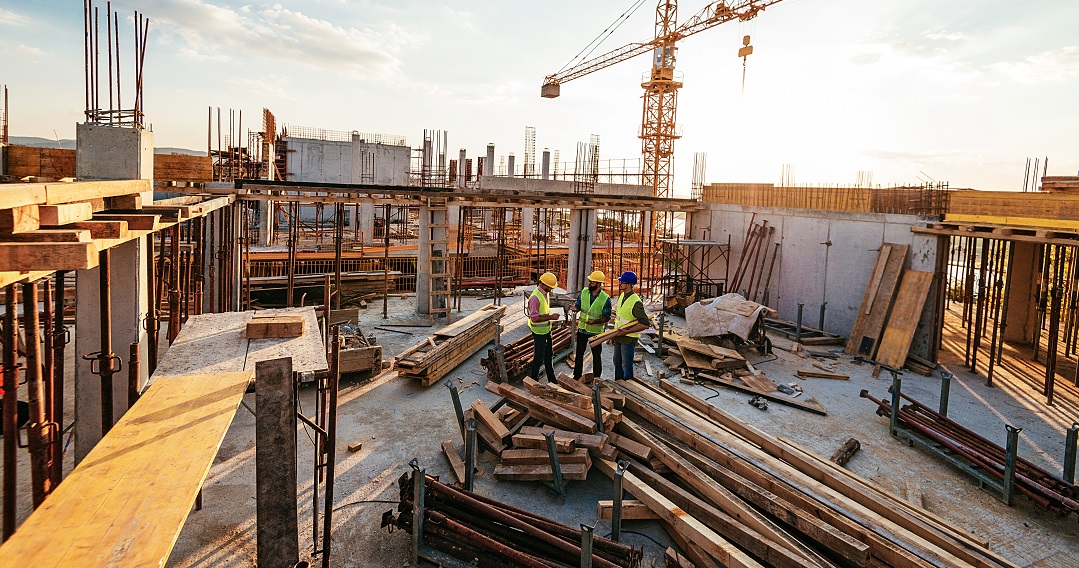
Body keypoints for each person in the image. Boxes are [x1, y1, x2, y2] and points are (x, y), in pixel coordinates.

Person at [570, 270, 611, 381]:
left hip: (595, 332)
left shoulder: (605, 298)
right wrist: (575, 308)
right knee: (579, 354)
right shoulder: (584, 292)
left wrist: (595, 321)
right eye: (590, 281)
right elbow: (578, 305)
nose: (589, 284)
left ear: (599, 284)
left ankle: (597, 378)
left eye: (592, 282)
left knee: (596, 356)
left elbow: (607, 317)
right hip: (583, 329)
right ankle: (577, 376)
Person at [608, 271, 649, 381]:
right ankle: (619, 385)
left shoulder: (636, 302)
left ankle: (628, 389)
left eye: (622, 282)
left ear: (628, 284)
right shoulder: (622, 295)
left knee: (626, 366)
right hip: (618, 335)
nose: (620, 283)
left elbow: (645, 324)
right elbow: (620, 316)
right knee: (617, 362)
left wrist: (627, 332)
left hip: (628, 338)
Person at [527, 271, 562, 385]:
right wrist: (551, 316)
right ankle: (533, 381)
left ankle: (552, 379)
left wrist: (550, 317)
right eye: (550, 287)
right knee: (538, 357)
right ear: (545, 285)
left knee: (548, 355)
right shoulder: (535, 298)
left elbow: (543, 311)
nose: (551, 289)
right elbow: (534, 318)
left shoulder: (544, 293)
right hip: (539, 332)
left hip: (546, 330)